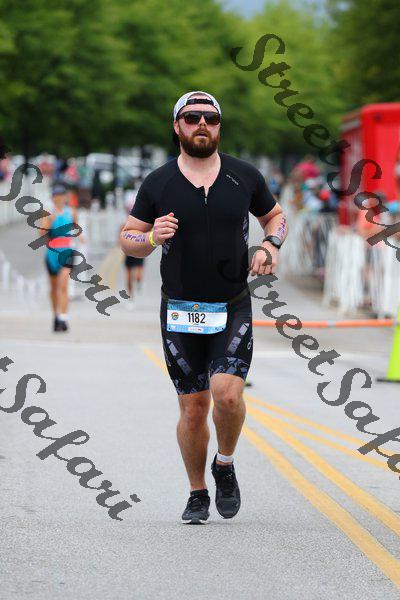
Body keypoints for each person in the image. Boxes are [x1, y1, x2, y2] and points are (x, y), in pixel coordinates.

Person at [120, 91, 288, 524]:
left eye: (210, 118)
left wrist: (270, 245)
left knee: (227, 395)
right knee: (193, 409)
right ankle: (197, 492)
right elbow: (128, 238)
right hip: (179, 310)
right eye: (192, 117)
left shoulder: (244, 176)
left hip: (231, 305)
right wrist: (151, 237)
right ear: (177, 126)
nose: (202, 125)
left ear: (218, 126)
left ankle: (224, 464)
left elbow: (275, 216)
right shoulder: (158, 183)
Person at [40, 183, 81, 332]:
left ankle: (63, 318)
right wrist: (49, 222)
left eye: (61, 195)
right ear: (53, 198)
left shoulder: (72, 212)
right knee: (53, 288)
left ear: (65, 197)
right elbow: (41, 234)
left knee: (63, 285)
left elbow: (77, 228)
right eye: (56, 195)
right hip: (52, 253)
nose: (59, 198)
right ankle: (56, 315)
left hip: (67, 252)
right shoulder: (48, 213)